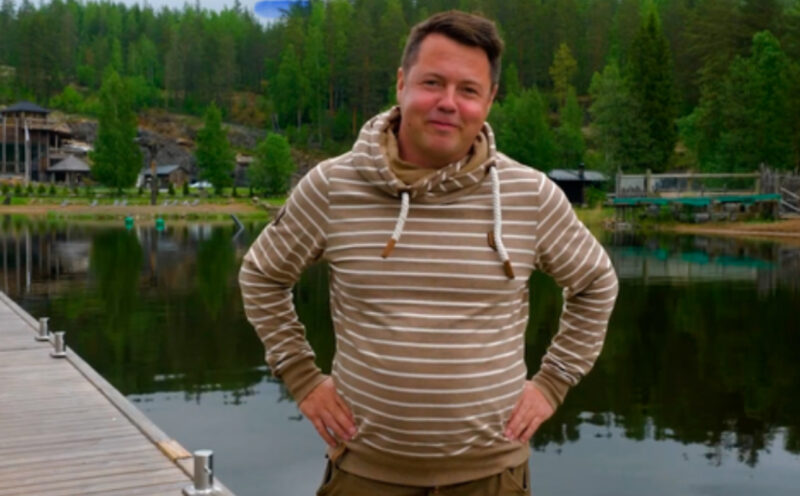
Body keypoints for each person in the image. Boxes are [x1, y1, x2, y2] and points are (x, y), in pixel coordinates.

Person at [240, 10, 618, 496]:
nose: (448, 103)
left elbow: (596, 283)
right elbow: (262, 275)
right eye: (432, 83)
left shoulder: (530, 195)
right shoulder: (333, 186)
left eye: (468, 90)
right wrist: (303, 378)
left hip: (493, 478)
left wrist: (552, 383)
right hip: (366, 475)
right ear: (402, 83)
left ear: (490, 100)